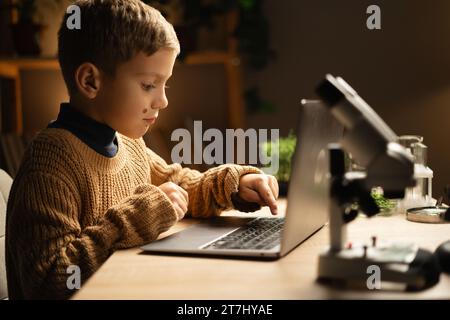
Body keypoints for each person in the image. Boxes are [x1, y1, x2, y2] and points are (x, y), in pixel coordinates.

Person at [5, 0, 279, 300]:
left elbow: (179, 187)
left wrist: (235, 185)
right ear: (90, 81)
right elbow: (49, 282)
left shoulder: (128, 143)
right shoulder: (51, 161)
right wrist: (136, 218)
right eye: (149, 85)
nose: (163, 101)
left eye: (166, 86)